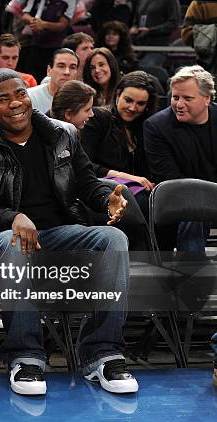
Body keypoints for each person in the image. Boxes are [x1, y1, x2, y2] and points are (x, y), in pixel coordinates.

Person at [0, 68, 138, 396]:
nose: (14, 103)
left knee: (114, 238)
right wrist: (14, 217)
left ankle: (102, 353)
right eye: (3, 99)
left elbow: (86, 183)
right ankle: (25, 357)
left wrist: (107, 199)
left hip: (58, 232)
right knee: (17, 242)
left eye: (20, 94)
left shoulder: (62, 135)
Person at [144, 65, 217, 252]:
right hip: (182, 196)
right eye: (175, 97)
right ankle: (192, 273)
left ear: (207, 98)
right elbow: (170, 178)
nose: (179, 104)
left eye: (187, 98)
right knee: (193, 205)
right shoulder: (156, 127)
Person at [80, 71, 157, 229]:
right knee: (140, 200)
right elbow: (84, 164)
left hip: (137, 191)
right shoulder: (99, 118)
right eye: (128, 100)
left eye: (140, 103)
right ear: (118, 95)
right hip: (100, 188)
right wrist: (124, 176)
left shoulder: (146, 128)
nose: (132, 107)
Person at [20, 0, 76, 81]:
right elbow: (25, 15)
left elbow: (63, 25)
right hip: (35, 44)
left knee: (52, 77)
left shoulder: (69, 1)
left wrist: (43, 24)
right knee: (32, 75)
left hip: (56, 47)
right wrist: (34, 22)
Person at [129, 0, 180, 67]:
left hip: (157, 48)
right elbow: (136, 20)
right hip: (139, 47)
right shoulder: (141, 1)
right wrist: (134, 27)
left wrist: (150, 31)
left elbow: (174, 24)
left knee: (144, 68)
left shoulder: (171, 1)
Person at [27, 48, 78, 113]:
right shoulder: (31, 96)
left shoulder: (82, 99)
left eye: (72, 67)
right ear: (49, 70)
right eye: (61, 66)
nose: (67, 72)